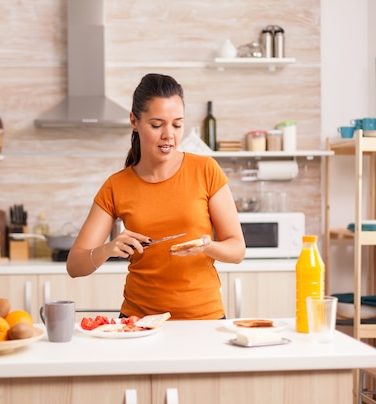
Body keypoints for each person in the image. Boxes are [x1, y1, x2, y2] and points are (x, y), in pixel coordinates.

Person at [66, 73, 245, 320]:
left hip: (203, 322)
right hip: (138, 324)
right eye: (157, 124)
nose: (168, 135)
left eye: (177, 124)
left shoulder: (206, 170)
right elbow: (75, 266)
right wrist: (108, 248)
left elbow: (237, 250)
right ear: (134, 121)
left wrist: (208, 247)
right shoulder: (116, 186)